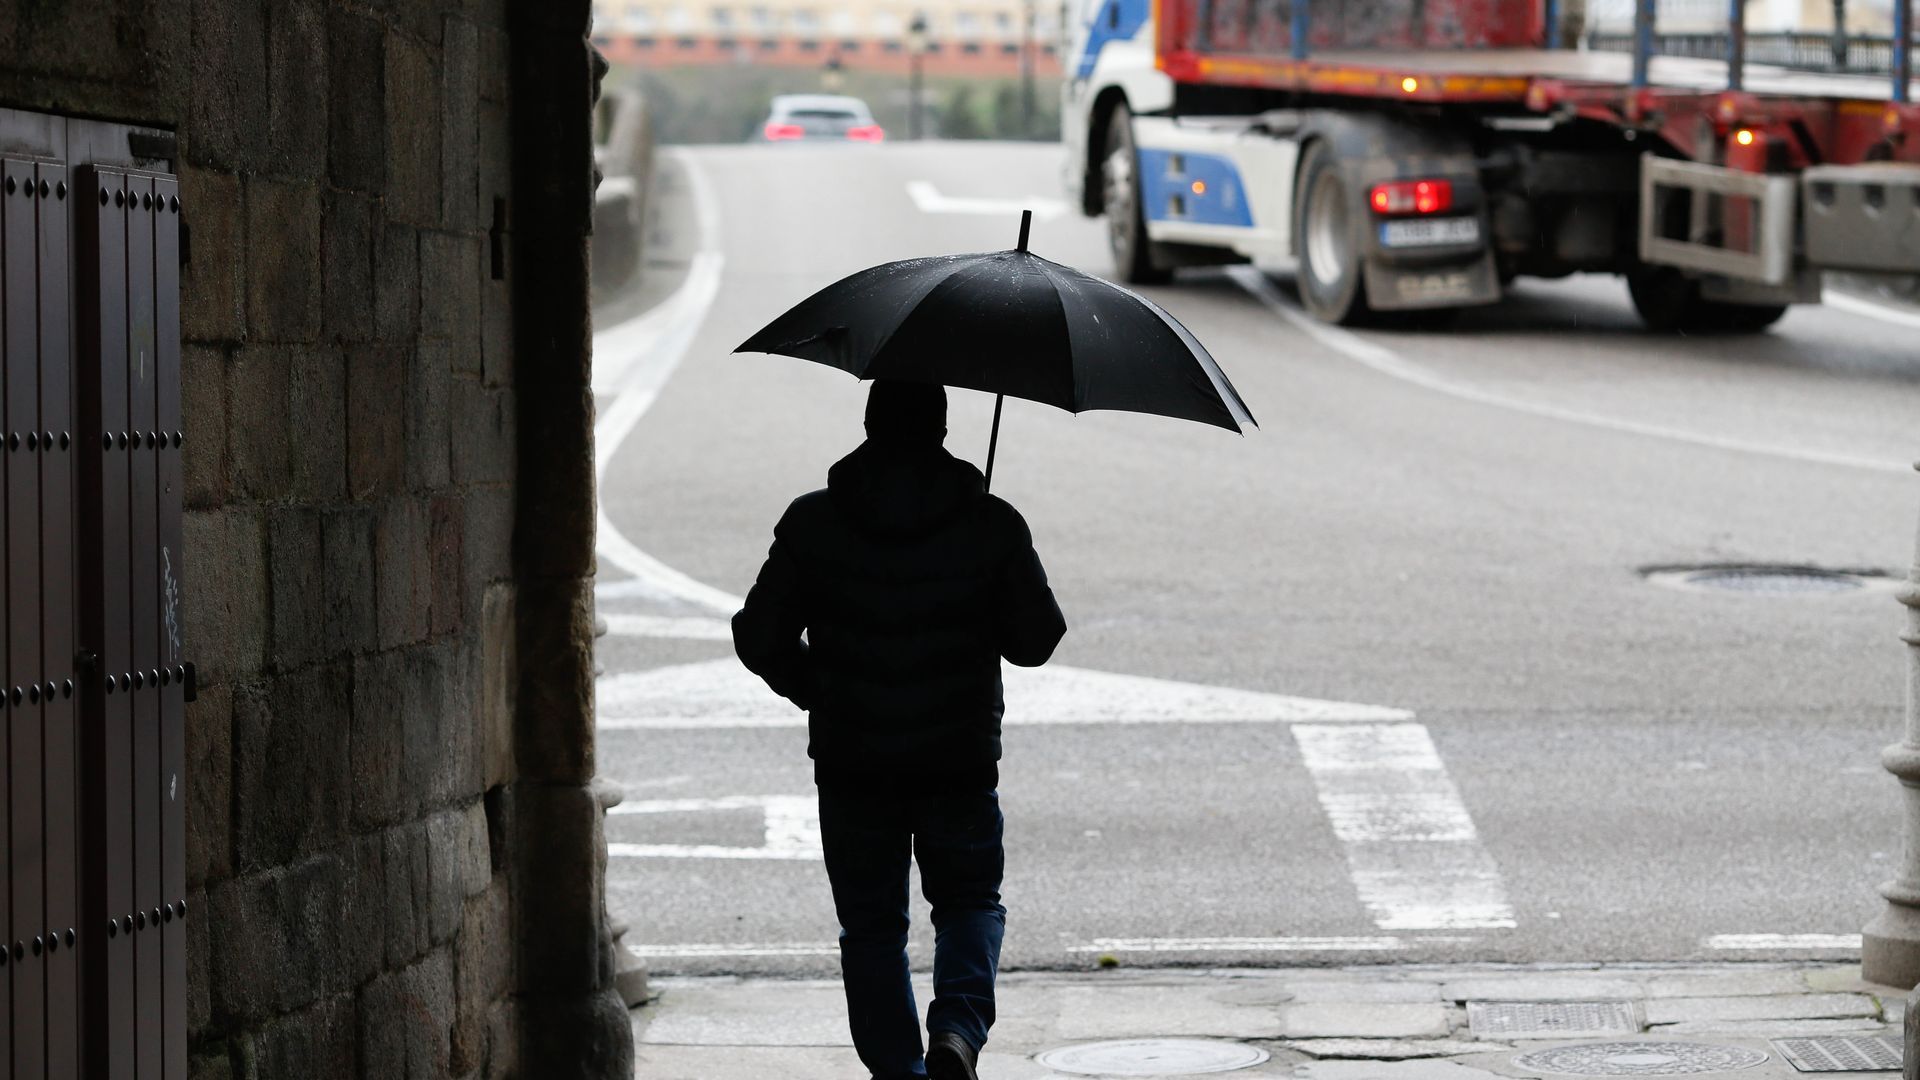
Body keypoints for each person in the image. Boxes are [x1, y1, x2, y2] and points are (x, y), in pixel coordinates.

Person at [732, 379, 1068, 1080]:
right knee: (969, 901)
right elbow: (1036, 640)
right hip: (958, 758)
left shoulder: (813, 521)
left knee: (871, 926)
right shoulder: (991, 523)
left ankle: (898, 1070)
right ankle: (957, 1032)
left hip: (853, 760)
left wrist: (818, 689)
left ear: (869, 423)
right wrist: (992, 579)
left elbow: (758, 635)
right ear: (941, 429)